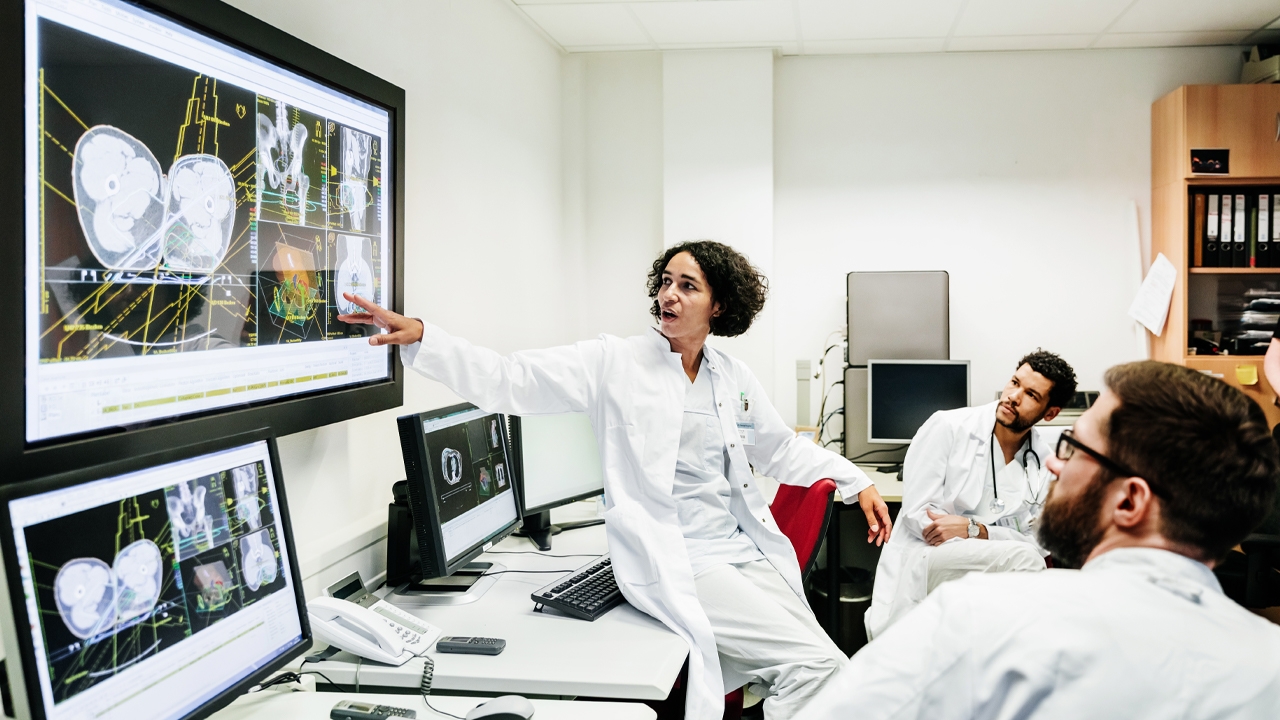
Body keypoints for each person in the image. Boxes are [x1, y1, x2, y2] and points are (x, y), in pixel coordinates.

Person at [338, 241, 893, 720]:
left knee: (833, 669)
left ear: (719, 305)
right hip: (681, 559)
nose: (669, 295)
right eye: (666, 282)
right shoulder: (616, 362)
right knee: (814, 668)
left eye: (688, 286)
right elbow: (511, 379)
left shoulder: (730, 377)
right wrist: (424, 339)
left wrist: (853, 480)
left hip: (738, 550)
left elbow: (779, 449)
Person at [804, 361, 1280, 719]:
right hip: (927, 559)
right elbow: (937, 521)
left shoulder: (978, 621)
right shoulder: (1267, 665)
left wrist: (975, 529)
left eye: (1074, 448)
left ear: (1131, 501)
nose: (1055, 463)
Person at [864, 350, 1077, 639]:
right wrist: (1001, 536)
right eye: (1014, 383)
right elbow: (921, 518)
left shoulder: (1042, 461)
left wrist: (975, 530)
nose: (1013, 396)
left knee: (1026, 559)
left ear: (1050, 413)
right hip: (928, 557)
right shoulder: (948, 427)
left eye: (1031, 395)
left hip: (993, 567)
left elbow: (1040, 541)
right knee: (1026, 561)